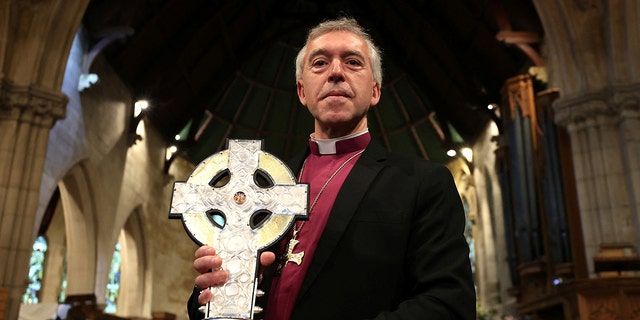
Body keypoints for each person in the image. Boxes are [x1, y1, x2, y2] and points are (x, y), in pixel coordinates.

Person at [188, 17, 476, 320]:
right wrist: (211, 295)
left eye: (353, 62)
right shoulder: (261, 186)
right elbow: (212, 303)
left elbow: (449, 305)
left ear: (375, 91)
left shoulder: (422, 183)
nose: (336, 72)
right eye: (320, 63)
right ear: (301, 91)